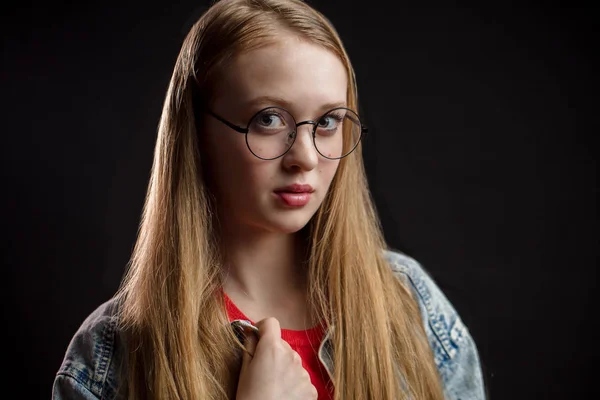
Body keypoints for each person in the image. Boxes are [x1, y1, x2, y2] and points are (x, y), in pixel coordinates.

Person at [52, 0, 485, 399]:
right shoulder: (113, 355)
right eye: (269, 119)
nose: (306, 157)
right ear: (197, 134)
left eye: (329, 120)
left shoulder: (412, 305)